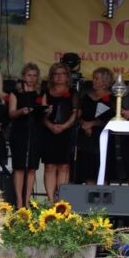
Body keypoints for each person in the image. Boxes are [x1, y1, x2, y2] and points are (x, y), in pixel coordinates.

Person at [8, 63, 46, 208]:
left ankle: (27, 199)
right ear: (23, 76)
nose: (32, 78)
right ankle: (19, 200)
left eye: (34, 75)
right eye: (29, 75)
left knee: (31, 168)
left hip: (36, 131)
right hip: (19, 132)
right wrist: (21, 111)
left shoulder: (40, 93)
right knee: (19, 167)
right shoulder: (15, 93)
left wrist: (46, 111)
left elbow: (43, 111)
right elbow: (11, 113)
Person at [42, 63, 78, 201]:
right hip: (49, 131)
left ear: (67, 76)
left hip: (66, 132)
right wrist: (50, 125)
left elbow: (75, 112)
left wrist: (64, 126)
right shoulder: (46, 91)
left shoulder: (73, 92)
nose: (59, 77)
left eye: (62, 74)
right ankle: (51, 200)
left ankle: (61, 200)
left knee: (64, 166)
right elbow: (42, 113)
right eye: (56, 74)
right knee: (50, 166)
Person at [77, 67, 115, 185]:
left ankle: (103, 201)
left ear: (105, 81)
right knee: (88, 170)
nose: (93, 81)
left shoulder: (113, 99)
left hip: (104, 138)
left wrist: (93, 123)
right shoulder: (86, 97)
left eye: (97, 79)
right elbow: (79, 114)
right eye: (94, 78)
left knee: (102, 169)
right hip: (86, 138)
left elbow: (113, 118)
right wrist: (84, 125)